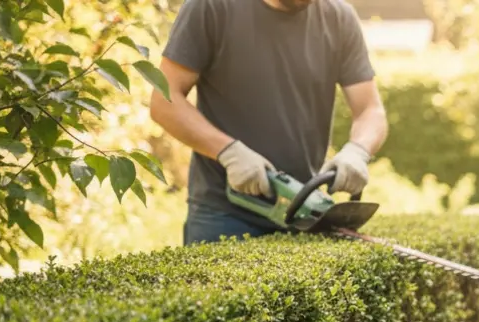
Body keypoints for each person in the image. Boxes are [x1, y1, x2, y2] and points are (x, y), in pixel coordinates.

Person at [149, 0, 389, 245]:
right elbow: (164, 101)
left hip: (303, 212)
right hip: (224, 213)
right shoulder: (211, 7)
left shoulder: (338, 17)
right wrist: (228, 152)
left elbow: (370, 110)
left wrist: (358, 151)